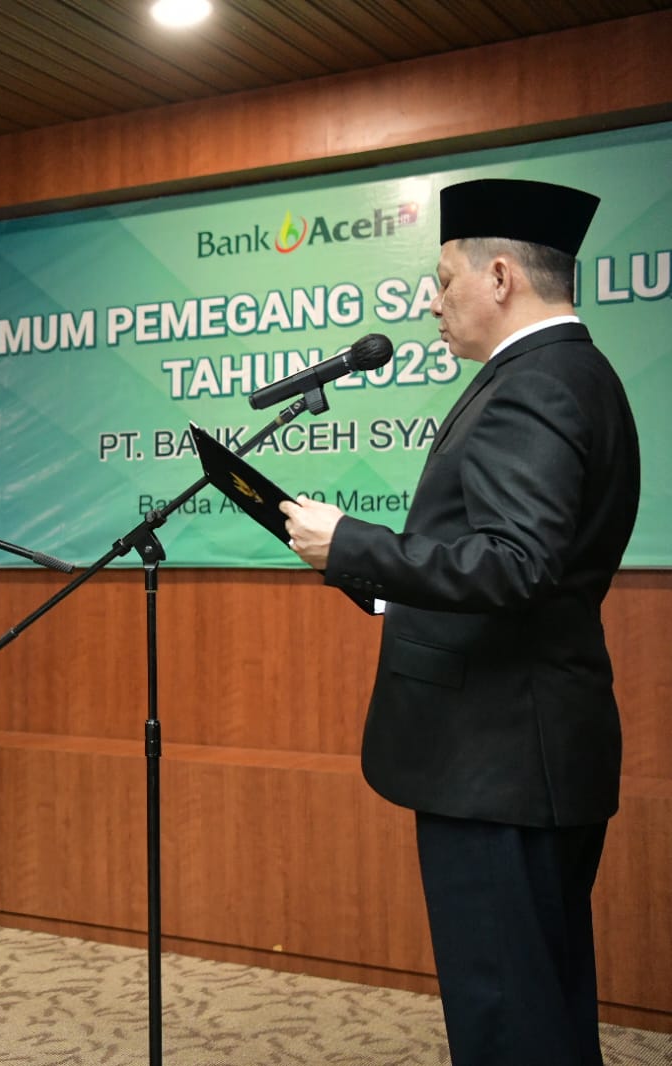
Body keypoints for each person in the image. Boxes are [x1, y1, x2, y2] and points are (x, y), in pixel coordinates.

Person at [280, 178, 640, 1066]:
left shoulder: (537, 385)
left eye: (442, 280)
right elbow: (519, 568)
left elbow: (516, 565)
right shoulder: (566, 373)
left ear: (501, 276)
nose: (430, 303)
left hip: (501, 758)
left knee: (508, 1019)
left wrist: (357, 544)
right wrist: (368, 577)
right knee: (537, 1003)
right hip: (519, 753)